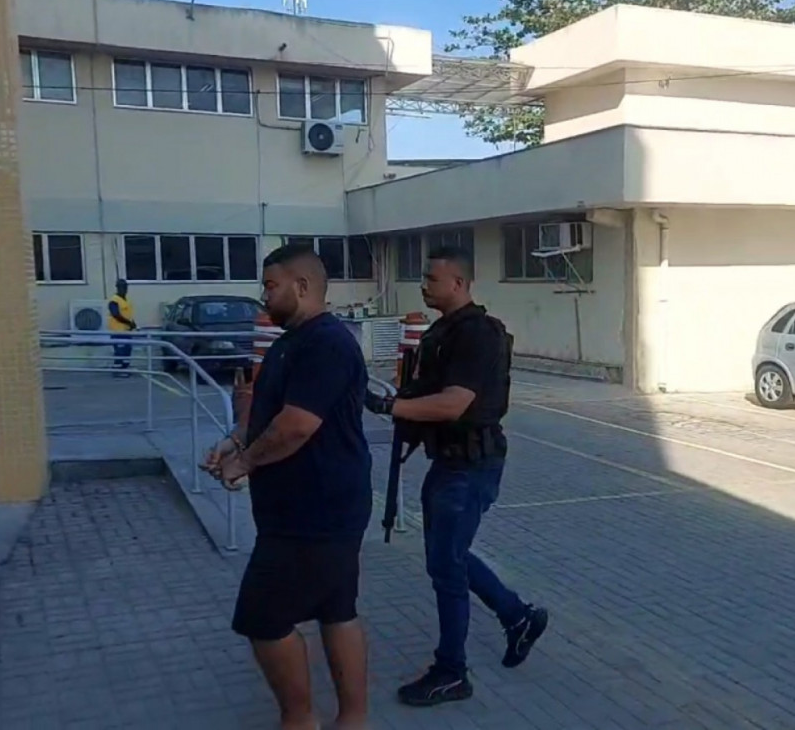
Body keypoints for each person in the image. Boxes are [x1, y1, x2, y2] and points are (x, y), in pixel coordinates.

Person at [364, 245, 549, 708]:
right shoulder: (443, 331)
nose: (423, 285)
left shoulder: (477, 334)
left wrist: (390, 406)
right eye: (424, 278)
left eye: (432, 278)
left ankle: (452, 672)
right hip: (450, 464)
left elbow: (453, 404)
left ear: (460, 283)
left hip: (469, 466)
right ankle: (518, 617)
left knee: (446, 566)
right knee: (448, 559)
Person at [205, 244, 372, 730]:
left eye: (271, 286)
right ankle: (353, 720)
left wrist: (243, 464)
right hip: (312, 510)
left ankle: (300, 720)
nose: (264, 296)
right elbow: (268, 414)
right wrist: (234, 441)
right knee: (337, 610)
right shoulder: (289, 342)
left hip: (315, 512)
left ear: (302, 287)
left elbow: (297, 425)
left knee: (262, 618)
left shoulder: (326, 344)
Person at [107, 279, 136, 377]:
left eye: (125, 287)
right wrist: (129, 323)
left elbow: (127, 314)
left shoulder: (126, 300)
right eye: (121, 287)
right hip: (117, 331)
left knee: (127, 351)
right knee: (120, 352)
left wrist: (132, 323)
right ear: (117, 288)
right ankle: (118, 370)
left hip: (126, 331)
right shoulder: (114, 301)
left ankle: (125, 369)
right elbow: (116, 315)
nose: (124, 289)